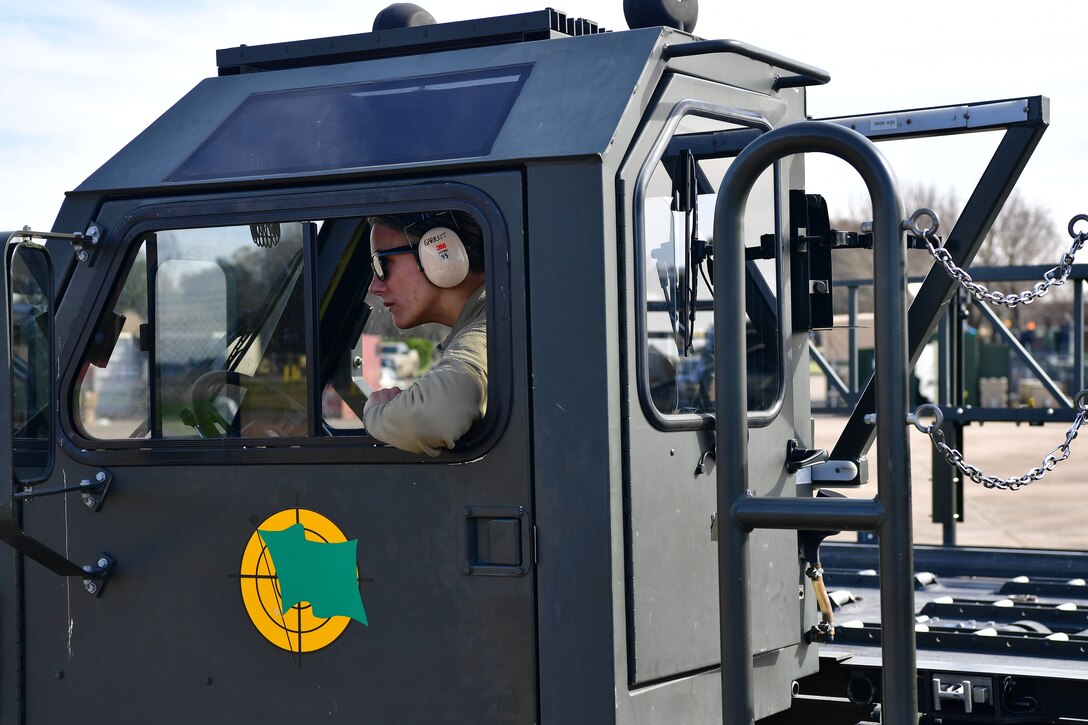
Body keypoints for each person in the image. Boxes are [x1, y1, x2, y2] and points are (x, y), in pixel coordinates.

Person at [363, 211, 487, 455]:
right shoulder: (495, 319)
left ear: (442, 251)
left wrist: (376, 412)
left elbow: (433, 416)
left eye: (382, 264)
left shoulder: (492, 327)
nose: (374, 287)